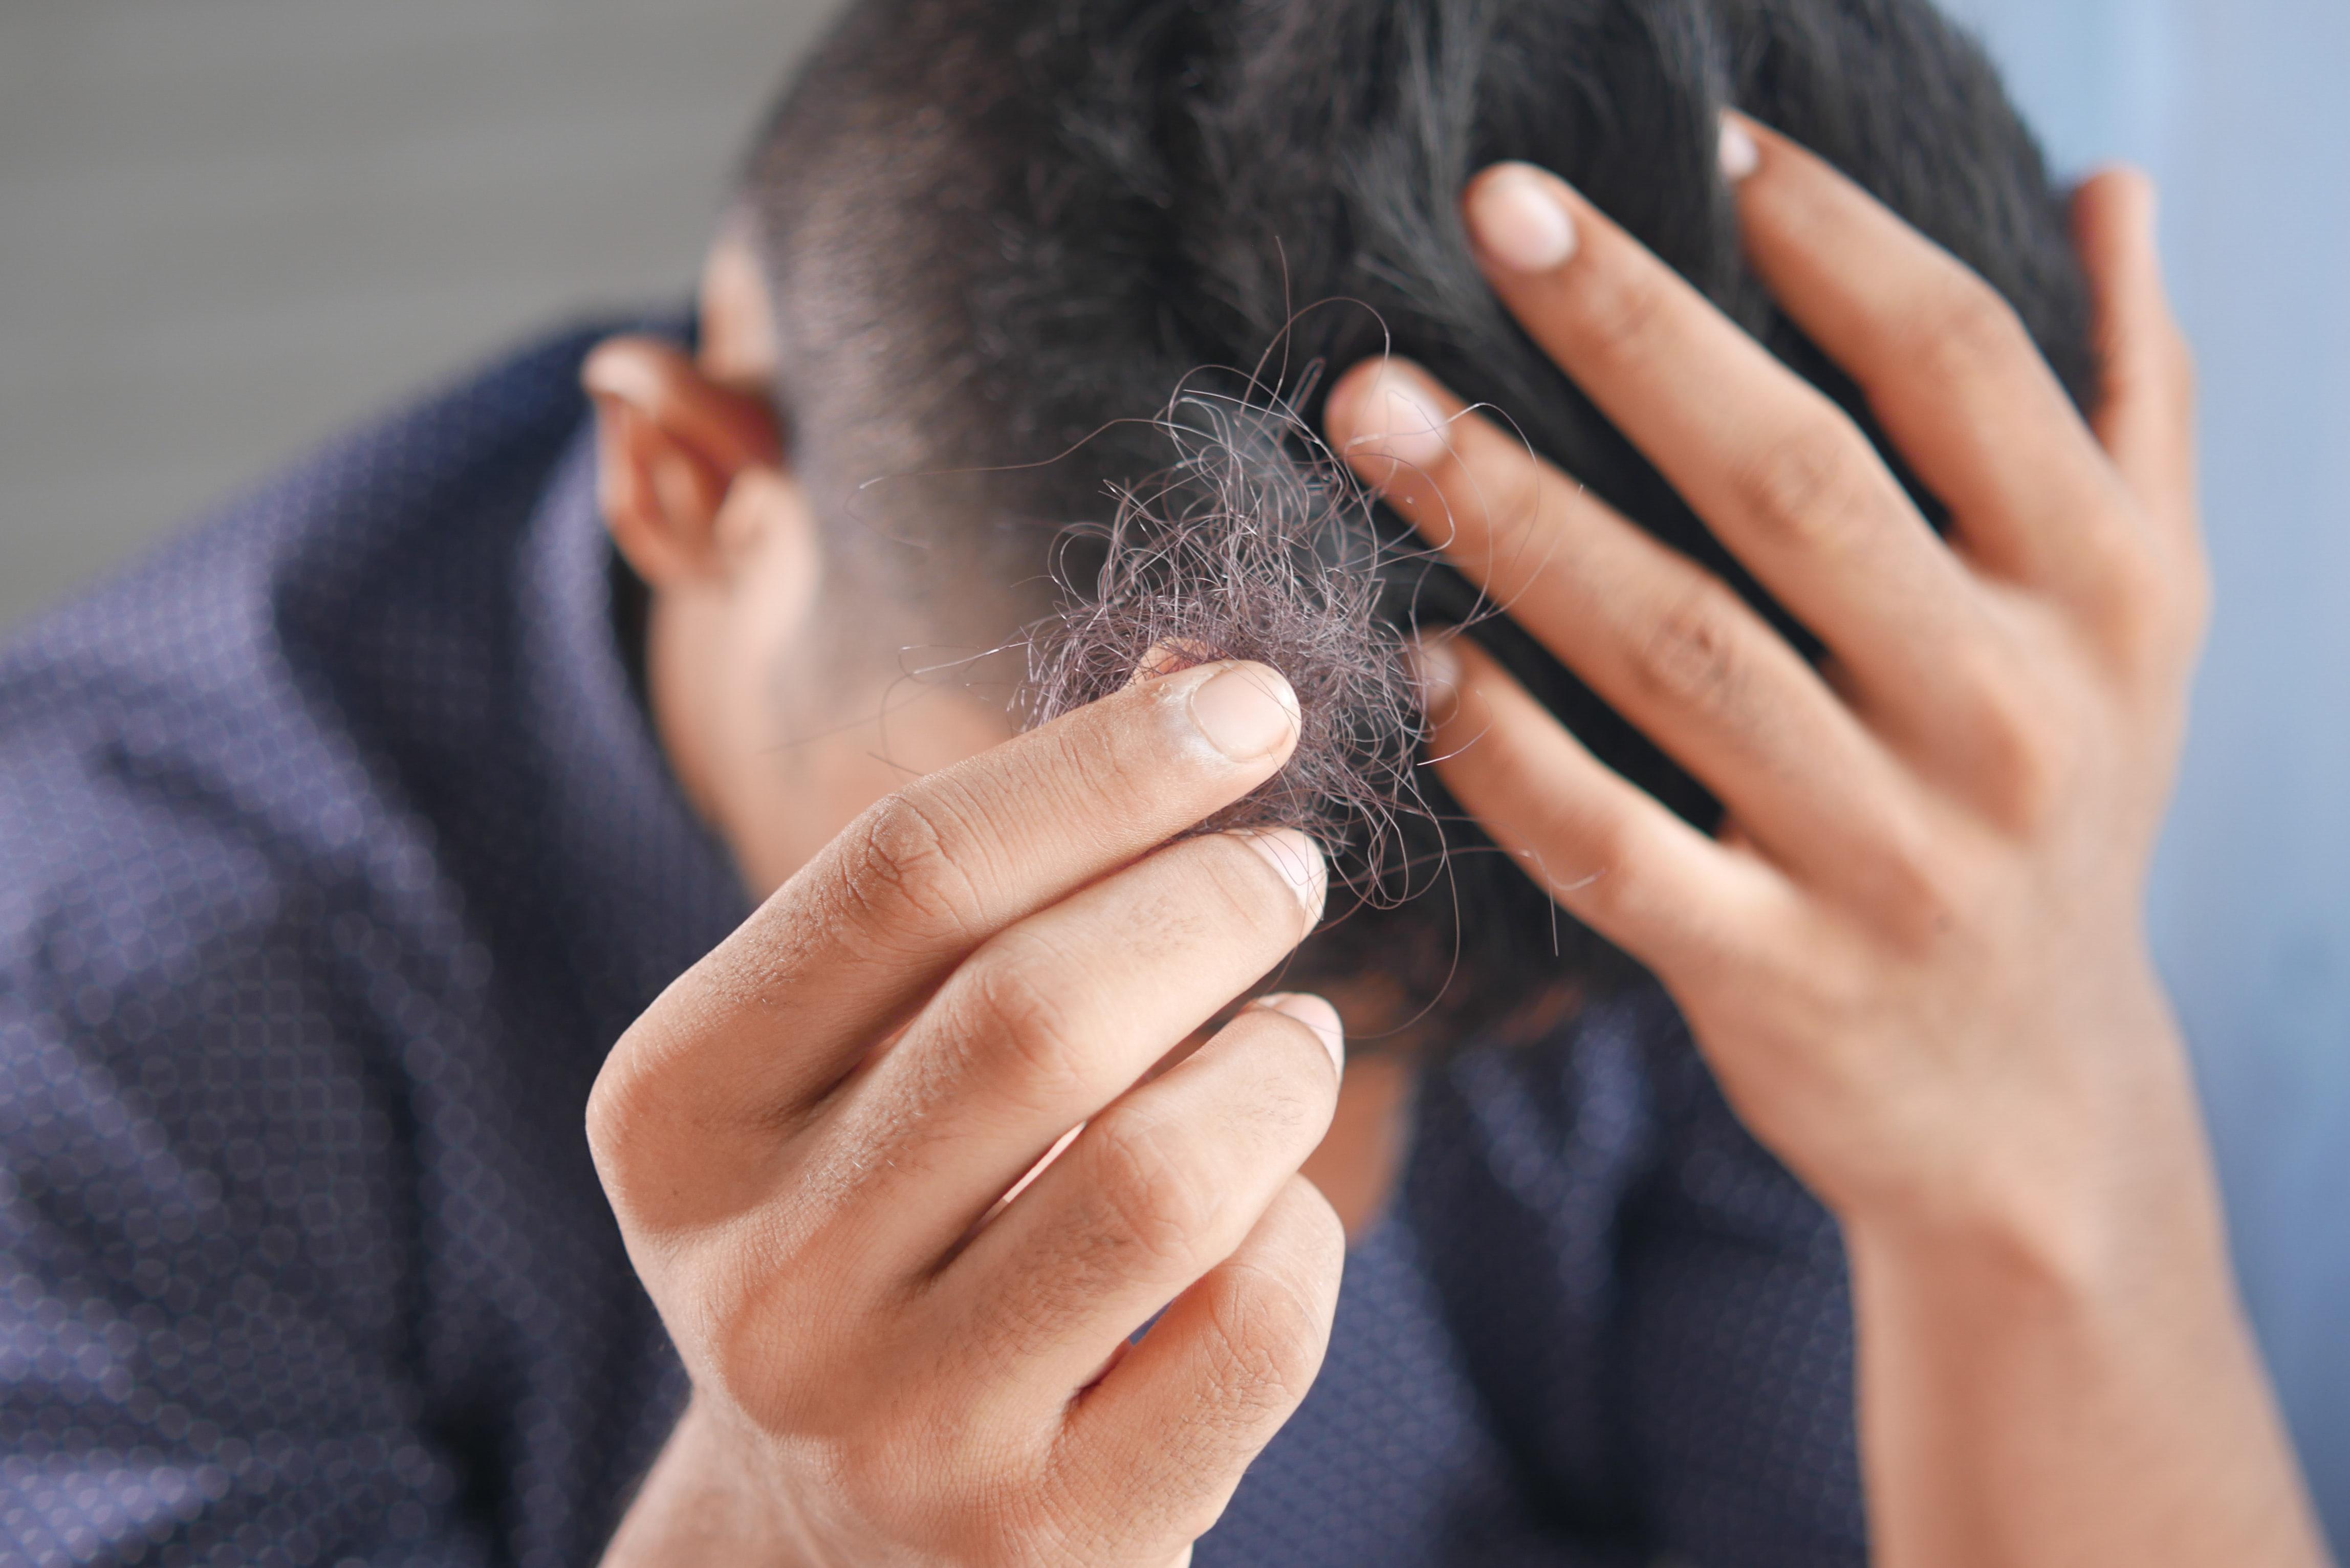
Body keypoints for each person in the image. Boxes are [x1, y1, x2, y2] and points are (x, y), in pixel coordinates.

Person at [0, 1, 2328, 1565]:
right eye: (1090, 908)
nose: (1266, 1219)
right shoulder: (84, 1036)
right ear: (693, 480)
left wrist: (2036, 1140)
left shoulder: (1713, 822)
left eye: (1458, 1037)